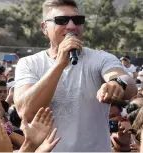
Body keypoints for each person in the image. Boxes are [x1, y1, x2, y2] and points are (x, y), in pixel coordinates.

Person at [14, 0, 137, 151]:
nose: (72, 26)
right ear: (44, 28)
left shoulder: (100, 58)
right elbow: (26, 111)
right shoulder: (29, 64)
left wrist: (117, 83)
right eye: (62, 20)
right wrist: (59, 64)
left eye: (77, 20)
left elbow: (128, 83)